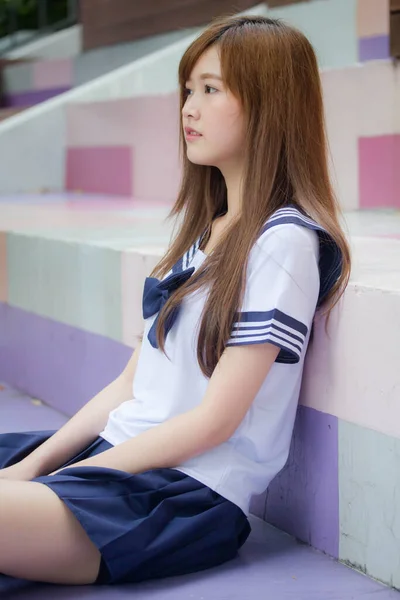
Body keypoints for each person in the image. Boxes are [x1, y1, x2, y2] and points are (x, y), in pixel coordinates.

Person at [0, 14, 350, 587]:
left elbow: (214, 423)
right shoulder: (202, 236)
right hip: (118, 454)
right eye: (188, 90)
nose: (188, 107)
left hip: (177, 494)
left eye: (211, 90)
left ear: (269, 106)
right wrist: (35, 465)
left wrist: (63, 480)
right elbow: (128, 387)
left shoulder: (284, 241)